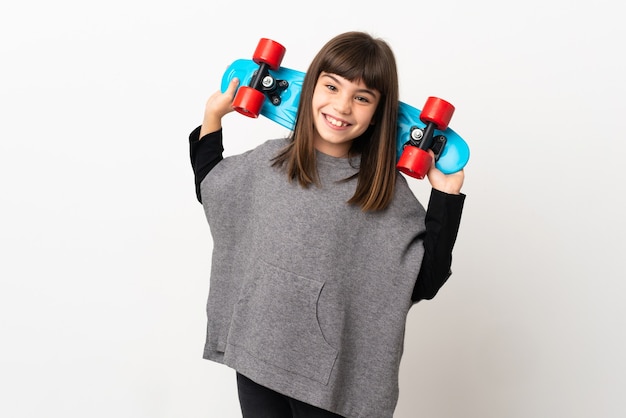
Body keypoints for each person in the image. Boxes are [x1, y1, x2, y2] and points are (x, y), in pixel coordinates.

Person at [189, 31, 466, 418]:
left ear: (377, 114)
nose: (342, 106)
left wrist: (446, 198)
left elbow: (423, 279)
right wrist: (212, 119)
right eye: (332, 86)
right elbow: (215, 191)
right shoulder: (271, 161)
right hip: (257, 353)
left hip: (331, 380)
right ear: (311, 87)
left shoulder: (382, 191)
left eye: (362, 97)